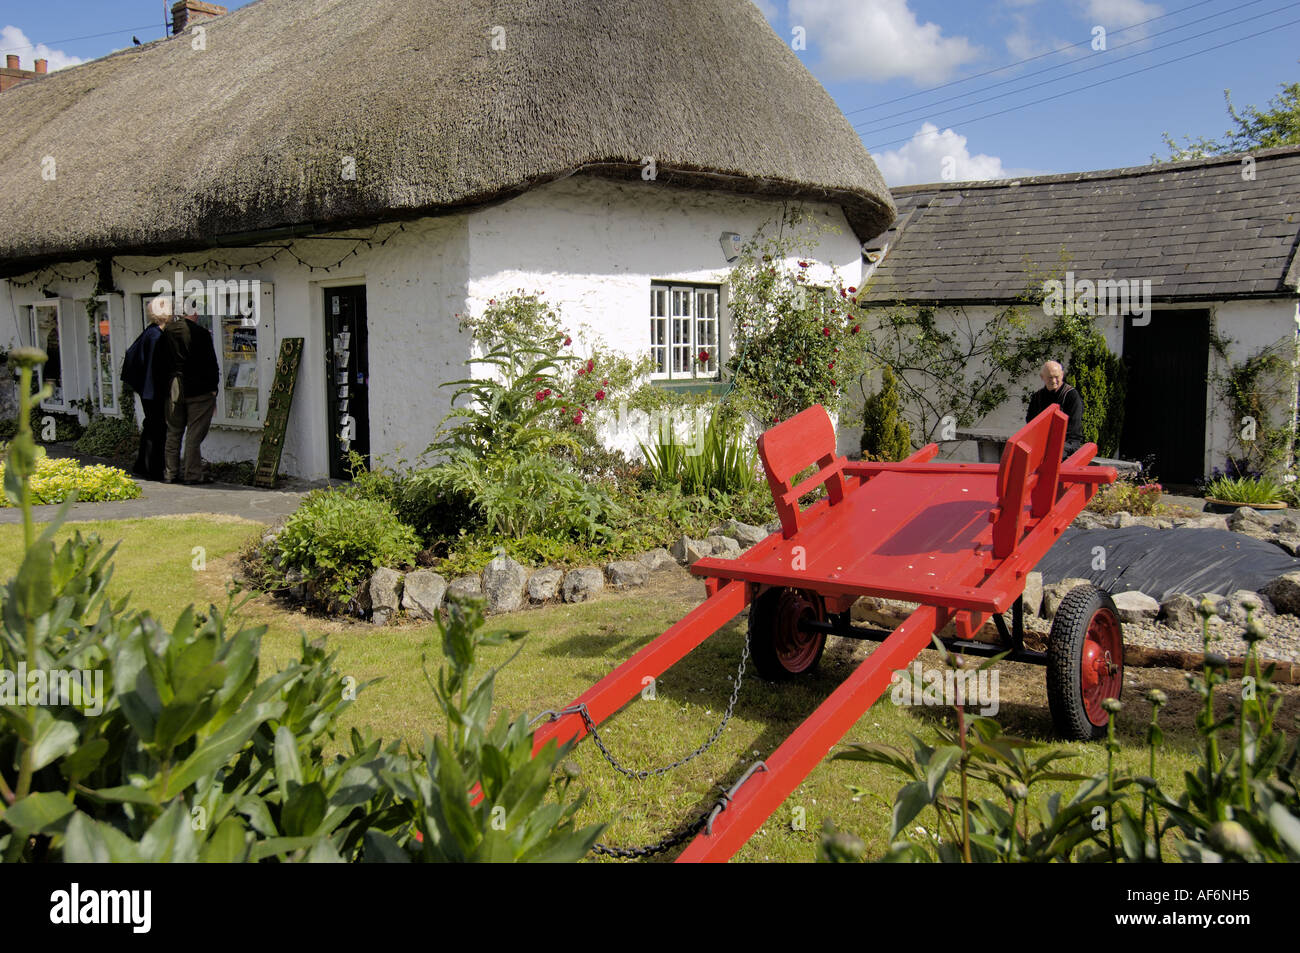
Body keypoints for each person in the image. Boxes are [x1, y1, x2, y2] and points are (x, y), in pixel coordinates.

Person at [157, 298, 220, 484]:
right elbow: (210, 363)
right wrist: (213, 389)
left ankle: (170, 472)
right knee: (194, 433)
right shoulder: (201, 333)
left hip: (174, 388)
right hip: (199, 390)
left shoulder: (166, 332)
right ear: (194, 313)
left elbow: (160, 364)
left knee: (174, 431)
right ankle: (192, 474)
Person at [120, 296, 171, 480]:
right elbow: (156, 366)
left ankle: (143, 465)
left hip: (146, 388)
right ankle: (153, 468)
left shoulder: (149, 332)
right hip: (152, 390)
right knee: (157, 428)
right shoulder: (156, 336)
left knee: (151, 426)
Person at [1026, 360, 1084, 456]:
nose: (1053, 381)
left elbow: (1073, 427)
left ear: (1062, 375)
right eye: (1050, 378)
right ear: (1042, 377)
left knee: (1051, 454)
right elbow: (1031, 422)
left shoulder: (1071, 395)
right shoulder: (1037, 396)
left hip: (1068, 442)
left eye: (1056, 377)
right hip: (1043, 441)